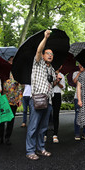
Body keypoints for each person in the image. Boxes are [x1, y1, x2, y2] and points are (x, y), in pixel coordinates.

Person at [26, 30, 55, 160]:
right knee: (33, 126)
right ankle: (30, 150)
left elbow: (52, 83)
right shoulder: (38, 63)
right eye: (47, 53)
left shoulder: (52, 68)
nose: (50, 55)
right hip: (37, 99)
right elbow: (38, 51)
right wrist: (45, 38)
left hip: (48, 101)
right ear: (43, 55)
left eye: (51, 54)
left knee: (43, 128)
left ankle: (41, 148)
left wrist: (56, 80)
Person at [0, 72, 22, 145]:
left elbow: (20, 87)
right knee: (1, 120)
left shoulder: (16, 73)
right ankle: (0, 138)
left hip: (13, 101)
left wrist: (20, 99)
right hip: (3, 100)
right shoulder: (2, 73)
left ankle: (7, 138)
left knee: (11, 121)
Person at [50, 67, 65, 143]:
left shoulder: (62, 75)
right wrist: (55, 80)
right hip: (49, 94)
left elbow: (63, 87)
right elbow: (49, 85)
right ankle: (44, 134)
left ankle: (55, 134)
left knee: (56, 114)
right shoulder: (49, 73)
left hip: (57, 95)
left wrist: (58, 81)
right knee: (47, 114)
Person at [72, 64, 85, 140]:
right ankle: (77, 133)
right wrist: (79, 73)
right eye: (80, 64)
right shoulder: (75, 73)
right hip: (77, 97)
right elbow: (74, 81)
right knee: (78, 115)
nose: (81, 65)